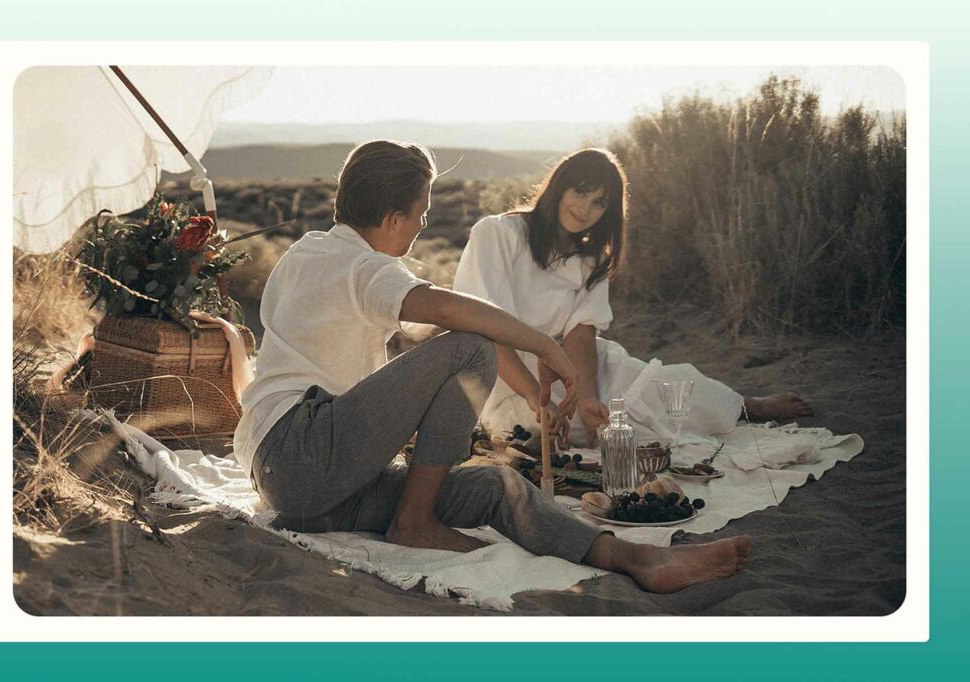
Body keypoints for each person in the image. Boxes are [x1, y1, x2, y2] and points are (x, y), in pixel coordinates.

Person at [233, 140, 749, 593]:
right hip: (300, 451)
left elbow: (410, 344)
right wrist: (546, 349)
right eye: (421, 214)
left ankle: (636, 558)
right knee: (471, 347)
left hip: (315, 491)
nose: (424, 224)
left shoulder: (307, 253)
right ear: (393, 219)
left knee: (492, 485)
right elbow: (449, 312)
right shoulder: (360, 266)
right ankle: (414, 522)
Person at [452, 148, 812, 448]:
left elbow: (580, 335)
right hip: (505, 370)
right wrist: (534, 394)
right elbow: (485, 327)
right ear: (559, 186)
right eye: (580, 192)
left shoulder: (590, 258)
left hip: (573, 369)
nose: (585, 209)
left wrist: (586, 396)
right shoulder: (498, 233)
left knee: (655, 393)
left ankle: (743, 406)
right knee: (542, 429)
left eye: (599, 203)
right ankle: (552, 414)